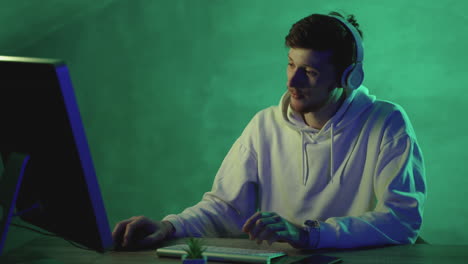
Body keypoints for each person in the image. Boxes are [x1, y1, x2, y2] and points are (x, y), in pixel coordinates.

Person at [112, 11, 426, 250]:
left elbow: (401, 221)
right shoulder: (265, 125)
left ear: (349, 78)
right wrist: (169, 227)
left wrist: (308, 234)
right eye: (291, 64)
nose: (293, 82)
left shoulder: (387, 123)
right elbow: (226, 209)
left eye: (310, 72)